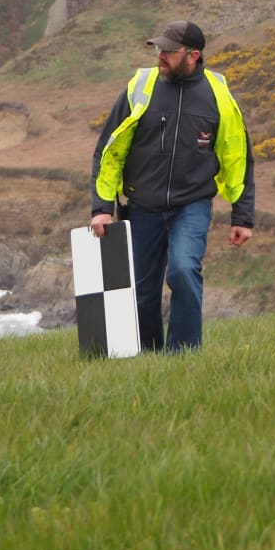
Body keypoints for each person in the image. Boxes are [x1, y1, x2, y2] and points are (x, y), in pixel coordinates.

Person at [89, 20, 255, 352]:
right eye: (158, 49)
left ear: (193, 55)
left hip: (191, 206)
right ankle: (147, 354)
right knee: (142, 289)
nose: (160, 56)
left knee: (183, 270)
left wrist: (242, 216)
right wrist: (102, 208)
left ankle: (183, 356)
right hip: (141, 206)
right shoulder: (140, 85)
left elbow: (238, 156)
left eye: (168, 51)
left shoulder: (218, 94)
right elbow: (109, 150)